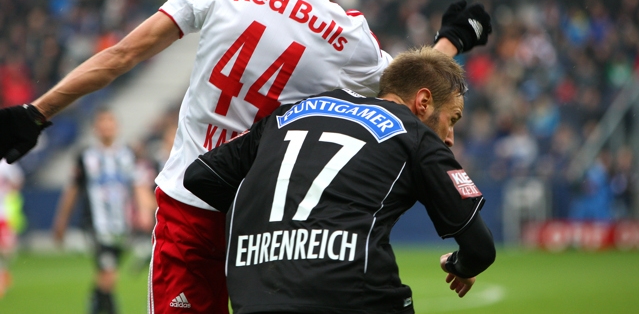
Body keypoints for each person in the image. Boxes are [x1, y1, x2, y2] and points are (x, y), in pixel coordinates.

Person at [0, 0, 491, 314]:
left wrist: (37, 112)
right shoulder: (349, 37)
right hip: (270, 228)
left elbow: (123, 55)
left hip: (189, 208)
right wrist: (449, 40)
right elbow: (410, 90)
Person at [184, 46, 496, 314]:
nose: (451, 138)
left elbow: (200, 176)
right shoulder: (414, 136)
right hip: (353, 296)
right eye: (452, 119)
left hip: (254, 296)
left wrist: (263, 224)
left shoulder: (288, 115)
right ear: (423, 102)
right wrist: (461, 266)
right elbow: (480, 249)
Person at [52, 108, 152, 314]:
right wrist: (61, 221)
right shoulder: (85, 157)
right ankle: (109, 309)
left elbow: (138, 186)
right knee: (108, 273)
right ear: (95, 128)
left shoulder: (127, 155)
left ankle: (95, 303)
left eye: (110, 122)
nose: (106, 126)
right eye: (102, 122)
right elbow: (72, 191)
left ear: (117, 127)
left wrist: (144, 211)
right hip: (95, 225)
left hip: (121, 226)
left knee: (107, 275)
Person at [0, 159, 25, 298]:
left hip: (4, 213)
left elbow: (18, 179)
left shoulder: (5, 163)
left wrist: (10, 194)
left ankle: (4, 272)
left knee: (6, 249)